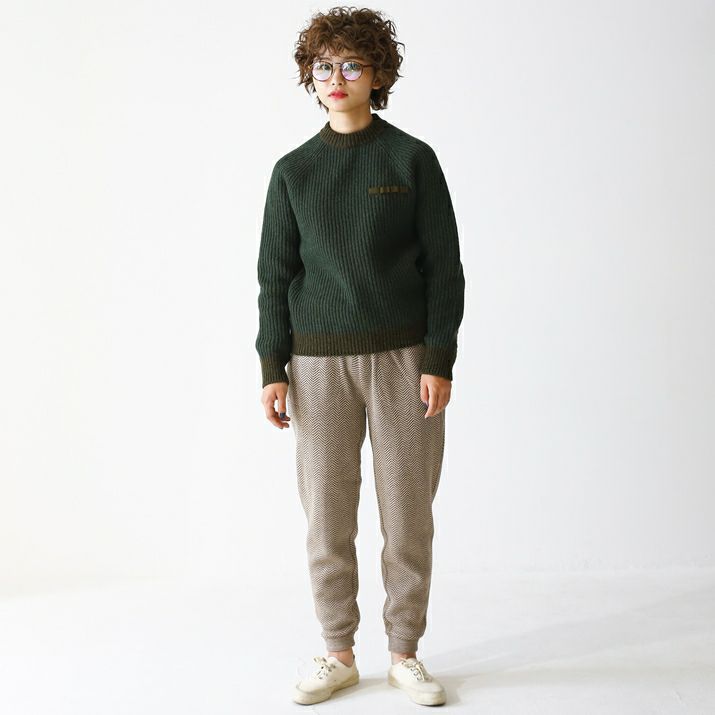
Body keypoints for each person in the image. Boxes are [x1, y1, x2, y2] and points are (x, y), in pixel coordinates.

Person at [255, 6, 465, 707]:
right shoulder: (293, 171)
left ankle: (405, 652)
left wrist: (438, 358)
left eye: (351, 64)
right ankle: (337, 651)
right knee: (327, 514)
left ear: (378, 75)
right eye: (323, 67)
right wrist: (272, 367)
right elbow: (275, 277)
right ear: (310, 78)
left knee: (407, 514)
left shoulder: (411, 159)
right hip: (316, 366)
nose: (336, 78)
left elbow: (444, 268)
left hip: (405, 360)